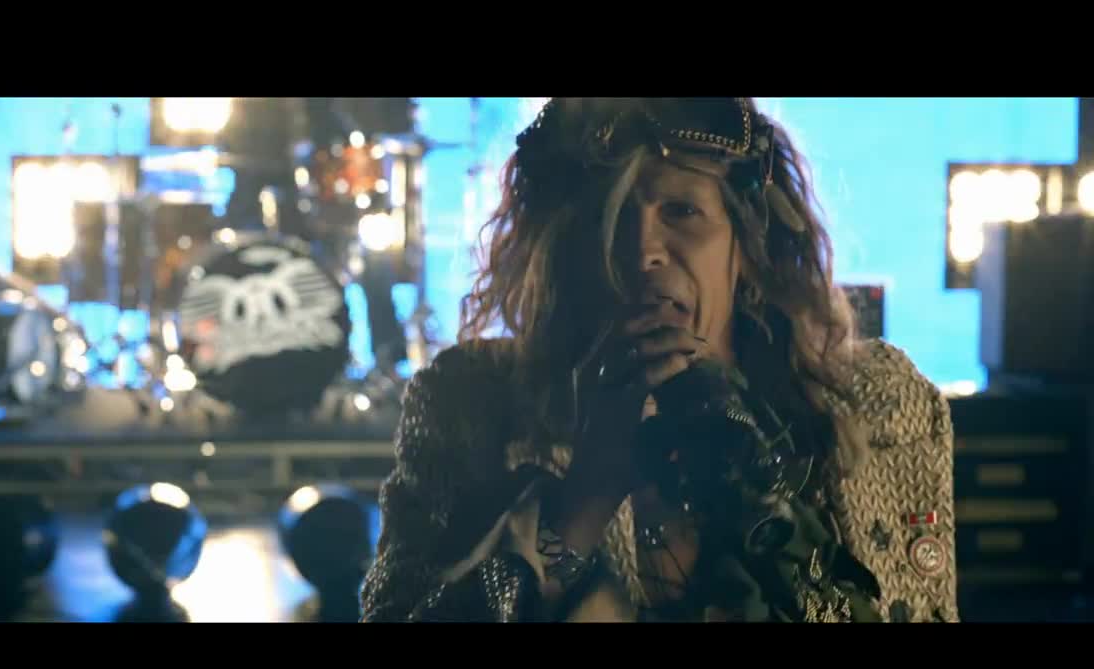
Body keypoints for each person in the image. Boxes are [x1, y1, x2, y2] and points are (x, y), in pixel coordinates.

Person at [360, 98, 956, 622]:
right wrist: (580, 505)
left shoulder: (875, 401)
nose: (642, 250)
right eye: (608, 216)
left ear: (746, 244)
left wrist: (756, 492)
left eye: (681, 211)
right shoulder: (469, 403)